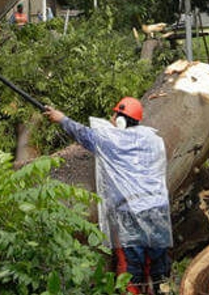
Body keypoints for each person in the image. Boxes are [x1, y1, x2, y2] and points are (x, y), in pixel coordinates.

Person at [46, 98, 171, 294]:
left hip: (130, 212)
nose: (111, 119)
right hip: (158, 210)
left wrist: (61, 119)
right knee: (158, 266)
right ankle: (161, 290)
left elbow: (83, 134)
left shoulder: (112, 141)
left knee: (132, 268)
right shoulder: (153, 139)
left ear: (121, 120)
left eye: (114, 115)